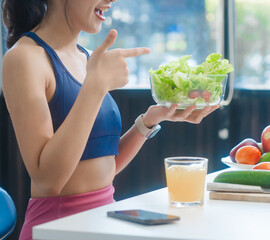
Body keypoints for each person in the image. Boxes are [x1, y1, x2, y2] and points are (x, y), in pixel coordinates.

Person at [1, 0, 219, 239]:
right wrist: (95, 86)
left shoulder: (87, 58)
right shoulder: (23, 58)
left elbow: (103, 168)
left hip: (103, 221)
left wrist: (148, 121)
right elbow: (48, 180)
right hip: (57, 228)